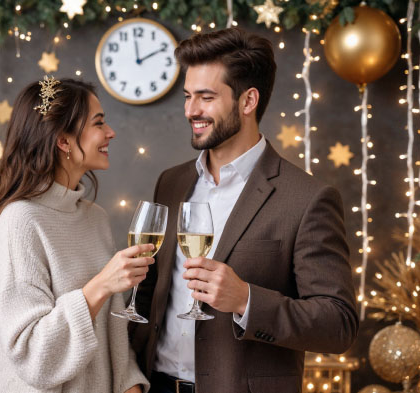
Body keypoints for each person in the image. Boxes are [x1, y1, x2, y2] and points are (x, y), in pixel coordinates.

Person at [129, 28, 358, 393]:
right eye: (188, 96)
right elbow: (148, 292)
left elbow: (339, 324)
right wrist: (130, 376)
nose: (191, 110)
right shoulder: (170, 183)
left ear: (248, 100)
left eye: (206, 97)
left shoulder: (308, 198)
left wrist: (246, 300)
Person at [0, 77, 150, 393]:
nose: (111, 132)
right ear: (63, 141)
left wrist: (129, 384)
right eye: (99, 123)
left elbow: (113, 329)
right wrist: (101, 286)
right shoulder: (20, 221)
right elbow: (33, 354)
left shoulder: (95, 219)